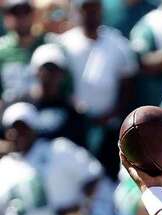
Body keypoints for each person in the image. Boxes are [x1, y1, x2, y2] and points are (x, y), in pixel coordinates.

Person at [0, 101, 104, 215]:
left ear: (34, 128)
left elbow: (93, 175)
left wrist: (81, 208)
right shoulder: (4, 167)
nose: (16, 133)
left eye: (22, 128)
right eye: (12, 129)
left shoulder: (58, 150)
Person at [55, 0, 137, 175]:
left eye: (95, 8)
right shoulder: (64, 43)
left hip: (110, 125)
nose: (91, 13)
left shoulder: (118, 42)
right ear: (77, 11)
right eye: (86, 9)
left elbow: (128, 83)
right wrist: (74, 106)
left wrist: (113, 113)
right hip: (75, 123)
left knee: (109, 172)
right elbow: (58, 82)